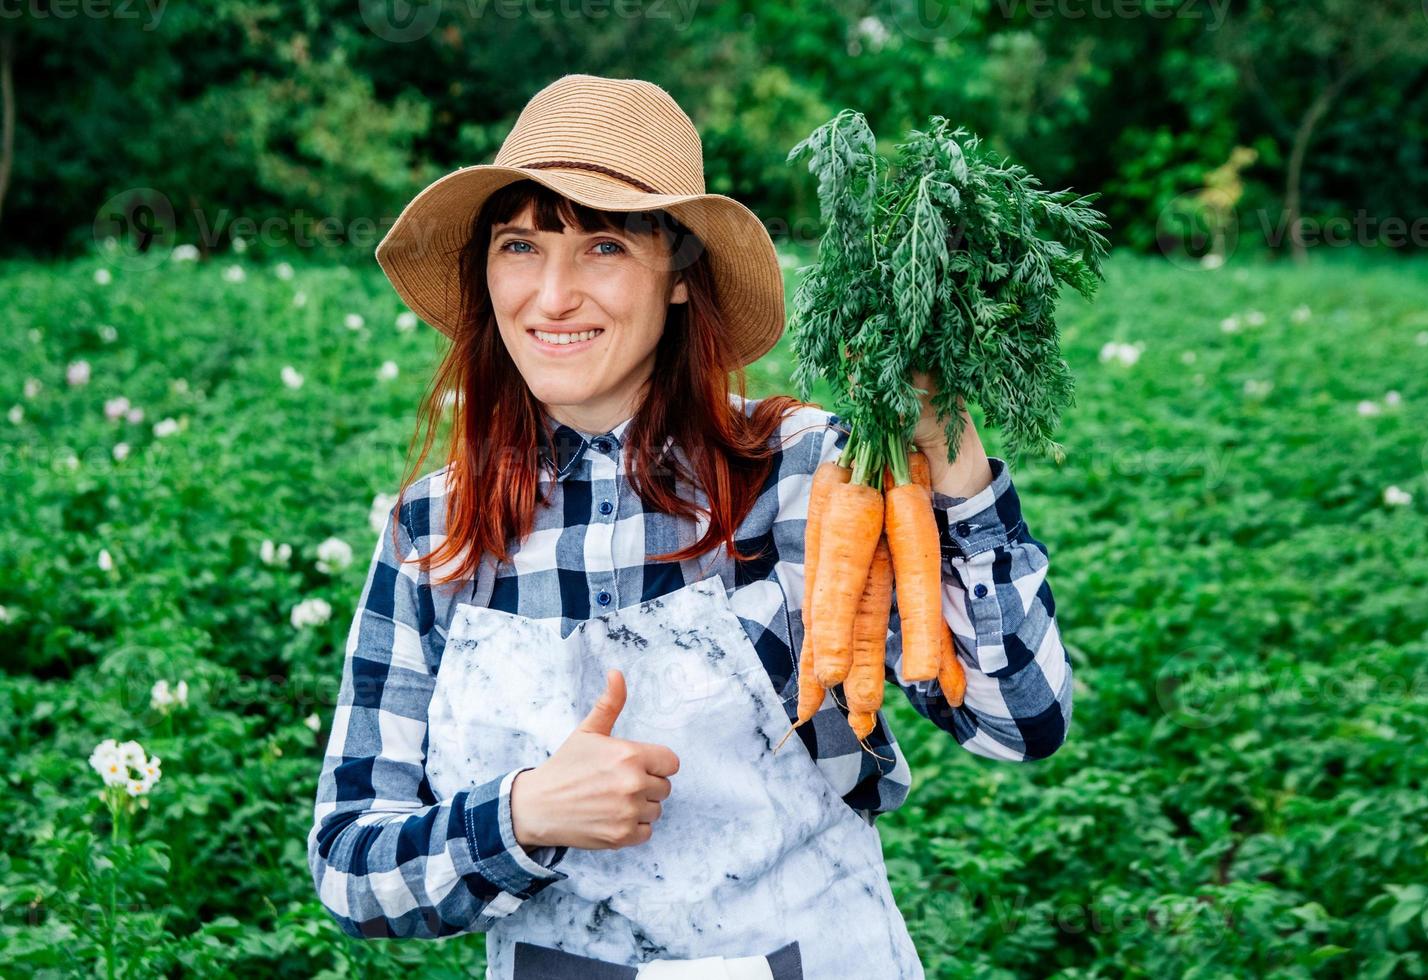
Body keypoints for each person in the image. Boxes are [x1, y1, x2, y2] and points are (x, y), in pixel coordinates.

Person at [306, 74, 1073, 980]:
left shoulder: (804, 473)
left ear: (677, 276)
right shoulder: (438, 526)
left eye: (601, 246)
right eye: (521, 245)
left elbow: (1020, 722)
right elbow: (351, 868)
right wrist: (521, 817)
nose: (552, 296)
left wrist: (953, 464)